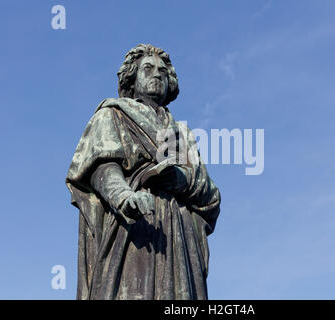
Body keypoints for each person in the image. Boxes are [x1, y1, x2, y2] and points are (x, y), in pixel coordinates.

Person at [65, 44, 221, 300]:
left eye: (162, 71)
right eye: (147, 69)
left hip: (177, 239)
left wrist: (179, 180)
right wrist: (124, 197)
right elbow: (102, 168)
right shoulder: (111, 115)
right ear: (132, 77)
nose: (157, 74)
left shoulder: (181, 133)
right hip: (134, 228)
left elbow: (210, 196)